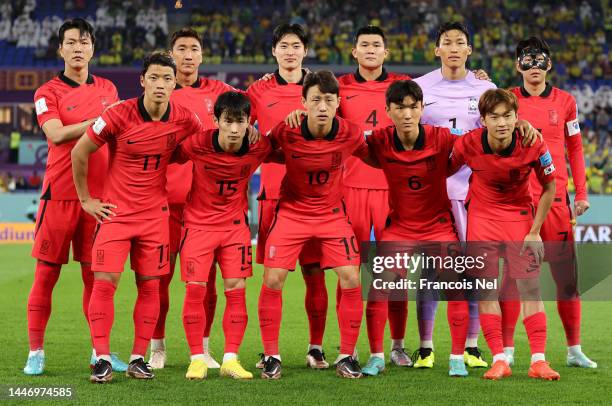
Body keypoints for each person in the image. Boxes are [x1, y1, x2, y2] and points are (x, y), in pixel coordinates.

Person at [71, 52, 203, 383]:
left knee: (151, 285)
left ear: (175, 83)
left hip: (154, 217)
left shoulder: (186, 119)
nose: (160, 85)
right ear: (142, 80)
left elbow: (204, 145)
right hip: (116, 213)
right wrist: (86, 199)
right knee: (105, 282)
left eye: (167, 79)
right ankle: (101, 356)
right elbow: (79, 151)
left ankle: (138, 357)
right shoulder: (117, 114)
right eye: (154, 78)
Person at [24, 18, 125, 376]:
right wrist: (102, 119)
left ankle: (101, 352)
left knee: (95, 279)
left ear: (93, 48)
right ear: (61, 49)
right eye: (71, 42)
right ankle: (36, 351)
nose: (78, 47)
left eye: (84, 41)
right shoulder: (47, 92)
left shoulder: (109, 88)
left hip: (99, 200)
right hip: (60, 196)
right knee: (45, 276)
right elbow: (57, 134)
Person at [258, 71, 368, 379]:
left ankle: (346, 355)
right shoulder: (286, 129)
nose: (322, 106)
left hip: (332, 214)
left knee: (350, 276)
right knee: (274, 278)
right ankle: (271, 355)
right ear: (303, 102)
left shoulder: (350, 133)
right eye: (315, 99)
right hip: (292, 213)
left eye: (328, 100)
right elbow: (262, 151)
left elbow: (375, 156)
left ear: (338, 103)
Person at [449, 88, 560, 381]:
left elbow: (550, 187)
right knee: (486, 290)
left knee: (530, 289)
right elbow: (442, 170)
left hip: (519, 219)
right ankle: (499, 359)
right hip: (482, 218)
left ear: (516, 118)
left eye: (508, 116)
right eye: (494, 117)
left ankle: (538, 361)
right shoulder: (468, 144)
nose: (502, 123)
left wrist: (535, 232)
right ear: (483, 120)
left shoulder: (534, 143)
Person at [502, 36, 596, 368]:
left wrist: (581, 194)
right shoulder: (507, 101)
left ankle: (574, 350)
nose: (534, 66)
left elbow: (575, 149)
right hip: (518, 203)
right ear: (518, 66)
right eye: (527, 60)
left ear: (549, 64)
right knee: (514, 279)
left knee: (567, 279)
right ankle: (508, 351)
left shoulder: (566, 101)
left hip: (555, 201)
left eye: (540, 59)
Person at [148, 27, 238, 371]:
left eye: (194, 49)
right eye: (181, 49)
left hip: (206, 207)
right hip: (164, 205)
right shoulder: (160, 94)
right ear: (172, 56)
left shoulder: (222, 93)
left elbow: (248, 115)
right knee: (159, 277)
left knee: (208, 281)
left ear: (202, 56)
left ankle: (203, 347)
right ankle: (157, 346)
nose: (188, 55)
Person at [247, 24, 330, 370]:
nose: (290, 51)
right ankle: (271, 352)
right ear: (275, 52)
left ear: (305, 50)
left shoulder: (322, 89)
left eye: (296, 45)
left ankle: (316, 348)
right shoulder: (257, 90)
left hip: (314, 195)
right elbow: (243, 134)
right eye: (284, 46)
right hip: (273, 195)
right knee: (274, 278)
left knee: (315, 274)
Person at [175, 91, 270, 380]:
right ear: (215, 121)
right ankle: (196, 358)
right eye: (227, 121)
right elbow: (164, 157)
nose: (233, 128)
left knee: (236, 290)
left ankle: (230, 358)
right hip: (198, 227)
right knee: (195, 289)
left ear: (248, 123)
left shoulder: (259, 147)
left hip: (234, 228)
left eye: (240, 121)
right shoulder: (196, 144)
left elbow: (289, 144)